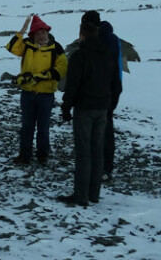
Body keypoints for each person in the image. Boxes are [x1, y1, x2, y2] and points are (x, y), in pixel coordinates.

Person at [58, 11, 121, 207]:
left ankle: (81, 195)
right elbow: (116, 83)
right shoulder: (109, 54)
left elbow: (73, 85)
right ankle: (94, 193)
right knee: (97, 151)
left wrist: (66, 108)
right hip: (102, 106)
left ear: (82, 33)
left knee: (84, 152)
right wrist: (110, 105)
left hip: (85, 108)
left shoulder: (80, 55)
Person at [5, 14, 68, 165]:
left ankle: (42, 155)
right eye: (38, 33)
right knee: (27, 126)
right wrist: (22, 30)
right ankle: (24, 155)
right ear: (33, 35)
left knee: (43, 127)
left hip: (46, 94)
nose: (41, 36)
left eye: (44, 32)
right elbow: (12, 47)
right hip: (27, 92)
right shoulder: (27, 45)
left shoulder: (56, 48)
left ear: (47, 33)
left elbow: (61, 69)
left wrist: (40, 77)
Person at [98, 20, 122, 181]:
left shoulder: (102, 42)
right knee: (107, 127)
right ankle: (107, 166)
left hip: (103, 92)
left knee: (102, 130)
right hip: (115, 88)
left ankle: (103, 167)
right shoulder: (115, 40)